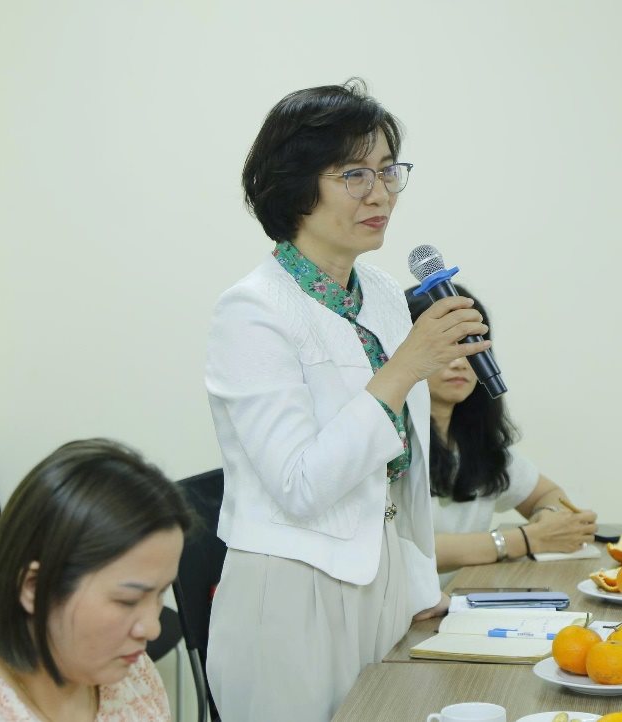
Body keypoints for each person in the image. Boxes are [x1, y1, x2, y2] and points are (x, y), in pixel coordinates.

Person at [204, 79, 492, 722]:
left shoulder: (383, 292)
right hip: (292, 592)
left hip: (384, 576)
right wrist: (405, 368)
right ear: (295, 186)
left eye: (389, 171)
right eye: (355, 173)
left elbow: (401, 468)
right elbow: (301, 485)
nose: (381, 193)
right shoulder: (251, 311)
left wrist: (417, 578)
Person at [0, 438, 192, 722]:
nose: (152, 628)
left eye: (160, 594)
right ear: (34, 587)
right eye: (128, 601)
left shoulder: (128, 671)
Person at [405, 284, 598, 586]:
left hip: (462, 600)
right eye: (445, 345)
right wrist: (526, 539)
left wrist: (550, 518)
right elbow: (404, 552)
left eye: (468, 344)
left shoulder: (476, 441)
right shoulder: (388, 440)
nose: (460, 361)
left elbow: (547, 494)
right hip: (404, 610)